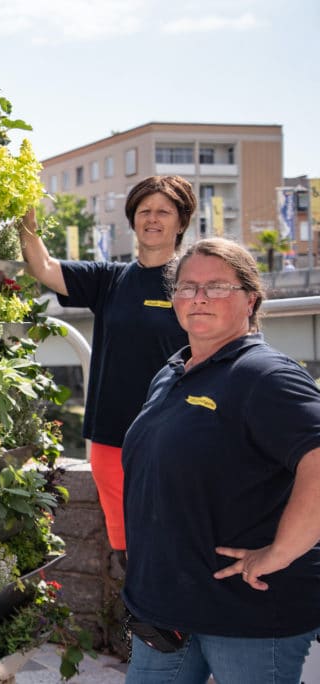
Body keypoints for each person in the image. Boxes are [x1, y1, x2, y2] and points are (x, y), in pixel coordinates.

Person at [122, 238, 320, 683]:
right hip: (164, 606)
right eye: (187, 287)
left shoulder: (265, 375)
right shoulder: (171, 372)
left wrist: (278, 553)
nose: (199, 297)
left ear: (251, 299)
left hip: (245, 614)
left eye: (217, 286)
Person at [19, 176, 195, 552]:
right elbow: (45, 268)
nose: (152, 218)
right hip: (111, 435)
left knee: (172, 541)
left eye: (163, 211)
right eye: (143, 211)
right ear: (132, 220)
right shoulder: (110, 279)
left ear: (181, 222)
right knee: (126, 547)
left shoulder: (193, 284)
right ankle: (133, 610)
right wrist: (26, 223)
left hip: (172, 435)